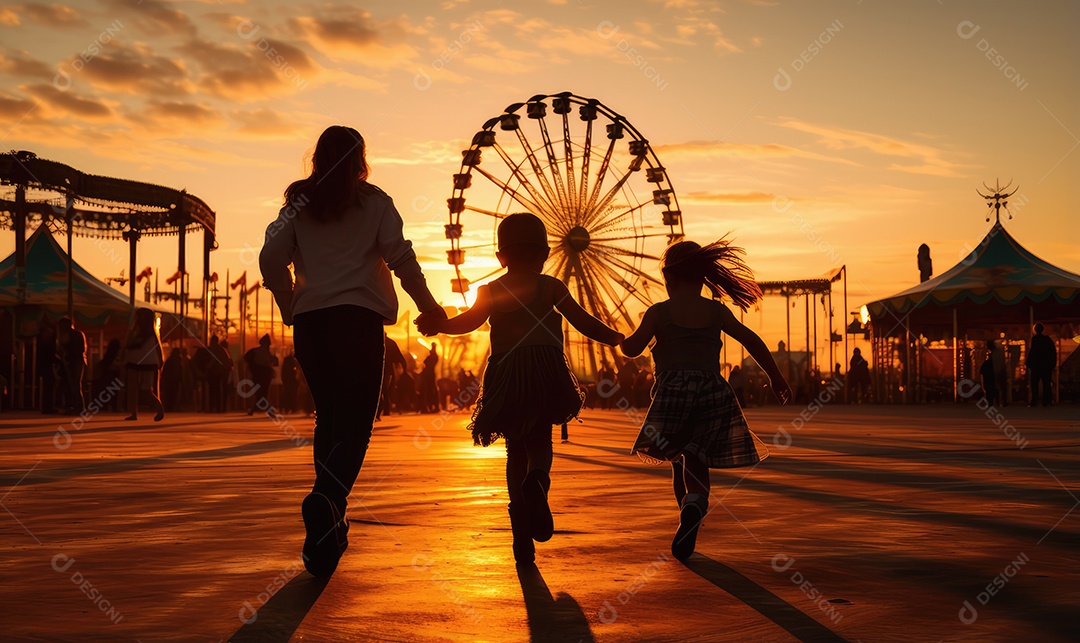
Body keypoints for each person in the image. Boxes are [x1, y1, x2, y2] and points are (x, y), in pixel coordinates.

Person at [260, 125, 446, 578]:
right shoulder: (375, 203)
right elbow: (401, 259)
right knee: (357, 423)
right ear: (361, 160)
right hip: (358, 323)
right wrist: (429, 306)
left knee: (329, 418)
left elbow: (270, 259)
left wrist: (289, 304)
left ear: (317, 158)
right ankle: (327, 498)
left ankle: (330, 521)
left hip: (312, 324)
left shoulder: (298, 204)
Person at [419, 213, 624, 564]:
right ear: (544, 254)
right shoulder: (551, 287)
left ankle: (521, 537)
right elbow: (582, 321)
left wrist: (438, 325)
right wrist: (617, 338)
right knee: (540, 438)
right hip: (545, 368)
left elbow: (467, 323)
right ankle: (539, 481)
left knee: (515, 448)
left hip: (508, 371)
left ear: (501, 256)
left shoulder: (489, 291)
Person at [620, 238, 792, 562]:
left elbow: (632, 348)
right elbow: (751, 339)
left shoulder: (659, 312)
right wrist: (775, 376)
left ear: (668, 278)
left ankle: (686, 511)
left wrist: (618, 340)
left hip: (672, 395)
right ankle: (695, 503)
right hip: (712, 392)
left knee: (677, 460)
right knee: (697, 460)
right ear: (703, 277)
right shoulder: (716, 311)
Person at [122, 307, 165, 422]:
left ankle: (156, 407)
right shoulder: (149, 333)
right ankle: (135, 412)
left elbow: (127, 344)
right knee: (138, 388)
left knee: (139, 389)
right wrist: (160, 361)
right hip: (145, 361)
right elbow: (158, 347)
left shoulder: (140, 332)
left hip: (138, 360)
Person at [56, 317, 86, 414]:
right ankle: (76, 406)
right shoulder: (77, 334)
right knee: (74, 384)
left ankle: (77, 406)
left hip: (73, 361)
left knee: (74, 384)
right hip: (75, 361)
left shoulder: (68, 335)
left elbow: (76, 349)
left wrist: (66, 355)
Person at [243, 334, 278, 418]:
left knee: (259, 393)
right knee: (263, 393)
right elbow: (274, 362)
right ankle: (266, 410)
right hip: (265, 375)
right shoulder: (267, 354)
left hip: (257, 375)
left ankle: (255, 409)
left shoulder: (254, 352)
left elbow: (246, 359)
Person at [1025, 323, 1056, 407]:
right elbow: (1052, 352)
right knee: (1046, 383)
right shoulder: (1047, 340)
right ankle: (1046, 400)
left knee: (1034, 384)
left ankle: (1034, 400)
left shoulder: (1035, 339)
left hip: (1036, 365)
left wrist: (1028, 363)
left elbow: (1033, 352)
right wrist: (1052, 364)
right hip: (1046, 366)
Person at [36, 317, 58, 414]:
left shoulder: (41, 343)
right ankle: (48, 407)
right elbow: (50, 355)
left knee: (48, 387)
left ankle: (47, 406)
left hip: (44, 367)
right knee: (49, 387)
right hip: (47, 367)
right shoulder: (47, 344)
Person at [209, 336, 233, 412]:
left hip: (219, 371)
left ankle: (217, 407)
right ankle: (223, 407)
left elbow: (213, 359)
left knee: (216, 389)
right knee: (223, 389)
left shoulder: (215, 348)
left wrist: (208, 367)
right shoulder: (222, 349)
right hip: (225, 370)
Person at [989, 339, 1008, 407]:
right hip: (1000, 370)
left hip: (998, 370)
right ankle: (1003, 401)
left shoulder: (995, 353)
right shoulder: (999, 350)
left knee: (997, 386)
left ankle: (998, 401)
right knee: (1002, 387)